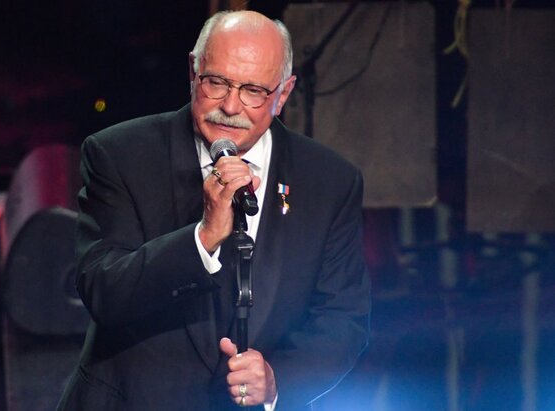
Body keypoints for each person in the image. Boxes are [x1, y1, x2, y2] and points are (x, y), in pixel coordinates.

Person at [57, 10, 370, 411]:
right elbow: (104, 292)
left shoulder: (329, 180)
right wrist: (202, 238)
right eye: (217, 82)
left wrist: (278, 381)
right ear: (193, 71)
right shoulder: (119, 154)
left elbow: (343, 318)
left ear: (283, 94)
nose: (231, 106)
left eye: (253, 90)